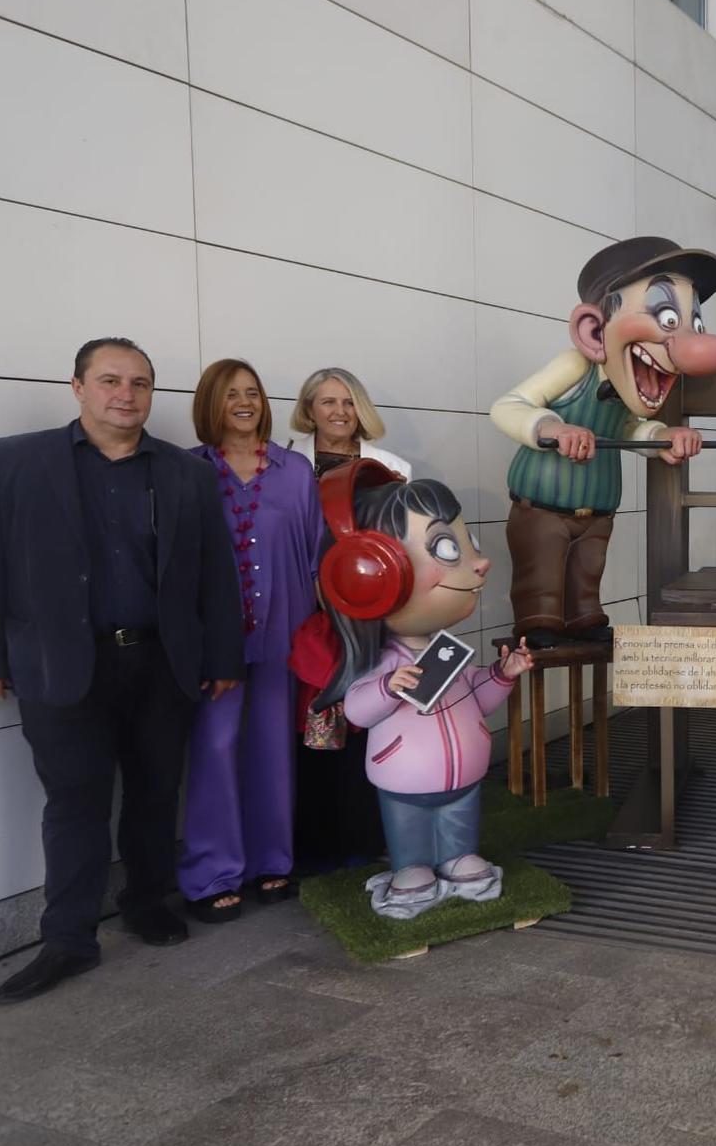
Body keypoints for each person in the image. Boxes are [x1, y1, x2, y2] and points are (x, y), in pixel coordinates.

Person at [0, 339, 244, 1003]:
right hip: (61, 664)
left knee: (153, 789)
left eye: (140, 383)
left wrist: (223, 655)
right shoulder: (16, 460)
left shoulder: (186, 474)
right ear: (77, 387)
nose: (126, 394)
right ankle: (69, 937)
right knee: (75, 799)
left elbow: (214, 575)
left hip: (162, 662)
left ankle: (145, 901)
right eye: (110, 380)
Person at [316, 462, 532, 919]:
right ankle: (411, 865)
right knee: (408, 825)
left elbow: (475, 698)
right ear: (375, 572)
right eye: (448, 547)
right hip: (404, 780)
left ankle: (456, 858)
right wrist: (389, 688)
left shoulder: (451, 652)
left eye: (466, 542)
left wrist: (502, 675)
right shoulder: (385, 662)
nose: (480, 561)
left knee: (459, 821)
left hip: (464, 779)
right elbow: (357, 710)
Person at [490, 237, 716, 647]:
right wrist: (552, 429)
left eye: (695, 323)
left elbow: (629, 428)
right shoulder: (574, 366)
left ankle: (585, 616)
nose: (692, 343)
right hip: (543, 506)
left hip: (598, 509)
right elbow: (507, 406)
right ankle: (539, 619)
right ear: (594, 331)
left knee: (588, 570)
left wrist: (662, 437)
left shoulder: (623, 384)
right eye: (667, 317)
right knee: (541, 571)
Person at [178, 360, 325, 922]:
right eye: (230, 394)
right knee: (214, 748)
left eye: (253, 393)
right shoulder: (187, 471)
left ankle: (272, 861)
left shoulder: (294, 472)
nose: (244, 403)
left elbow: (315, 554)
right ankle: (211, 871)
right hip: (214, 638)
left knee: (271, 747)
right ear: (210, 404)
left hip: (284, 633)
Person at [284, 367, 404, 873]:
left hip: (373, 615)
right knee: (317, 727)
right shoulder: (288, 465)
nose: (338, 412)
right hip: (310, 616)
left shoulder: (392, 468)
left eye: (348, 402)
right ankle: (316, 847)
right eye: (326, 402)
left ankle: (365, 839)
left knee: (368, 721)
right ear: (309, 409)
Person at [286, 366, 411, 480]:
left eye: (350, 403)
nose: (341, 412)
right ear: (309, 410)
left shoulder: (395, 467)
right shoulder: (277, 457)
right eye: (329, 402)